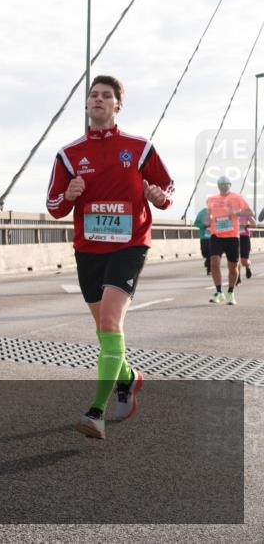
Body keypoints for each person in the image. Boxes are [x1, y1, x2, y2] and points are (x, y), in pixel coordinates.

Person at [46, 75, 174, 440]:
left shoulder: (138, 147)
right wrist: (69, 194)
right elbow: (53, 206)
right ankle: (130, 378)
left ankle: (96, 412)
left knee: (110, 324)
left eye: (106, 96)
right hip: (89, 249)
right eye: (93, 95)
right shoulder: (68, 155)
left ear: (118, 105)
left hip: (130, 244)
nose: (98, 100)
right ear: (87, 104)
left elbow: (167, 188)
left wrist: (158, 196)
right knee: (103, 330)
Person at [206, 176, 253, 304]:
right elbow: (209, 215)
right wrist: (207, 221)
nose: (223, 186)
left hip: (232, 237)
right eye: (221, 184)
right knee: (214, 263)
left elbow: (250, 213)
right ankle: (219, 292)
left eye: (226, 183)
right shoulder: (211, 199)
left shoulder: (237, 198)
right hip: (216, 236)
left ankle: (231, 293)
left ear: (230, 185)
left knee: (233, 268)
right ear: (218, 185)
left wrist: (237, 213)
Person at [193, 206, 212, 275]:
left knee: (211, 253)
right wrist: (204, 225)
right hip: (204, 237)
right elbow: (196, 223)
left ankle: (209, 269)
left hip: (213, 237)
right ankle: (207, 261)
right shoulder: (201, 213)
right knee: (204, 252)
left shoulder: (217, 213)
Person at [238, 213, 255, 281]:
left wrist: (246, 225)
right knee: (235, 259)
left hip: (244, 238)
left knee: (244, 261)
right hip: (234, 237)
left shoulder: (246, 213)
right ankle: (237, 277)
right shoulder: (231, 213)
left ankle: (247, 266)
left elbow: (254, 224)